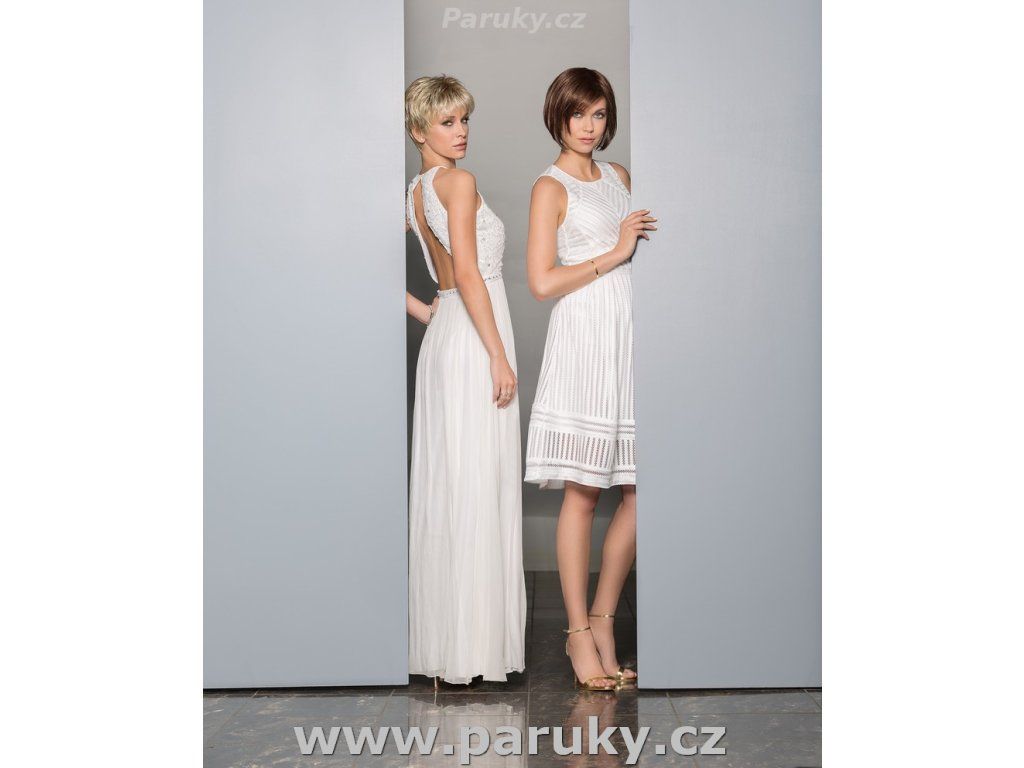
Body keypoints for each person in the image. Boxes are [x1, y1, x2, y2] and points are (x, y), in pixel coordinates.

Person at [523, 68, 656, 690]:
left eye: (599, 114)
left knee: (640, 489)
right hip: (584, 339)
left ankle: (604, 618)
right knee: (583, 493)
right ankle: (577, 633)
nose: (588, 126)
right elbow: (541, 282)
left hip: (629, 338)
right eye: (578, 114)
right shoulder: (549, 187)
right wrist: (615, 253)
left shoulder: (619, 178)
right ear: (558, 116)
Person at [404, 75, 527, 687]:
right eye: (447, 122)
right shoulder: (457, 182)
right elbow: (472, 274)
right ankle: (476, 651)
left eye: (464, 119)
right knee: (478, 483)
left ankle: (451, 646)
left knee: (456, 485)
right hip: (475, 338)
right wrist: (498, 356)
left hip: (447, 333)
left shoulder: (414, 192)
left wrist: (426, 309)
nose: (461, 132)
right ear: (418, 130)